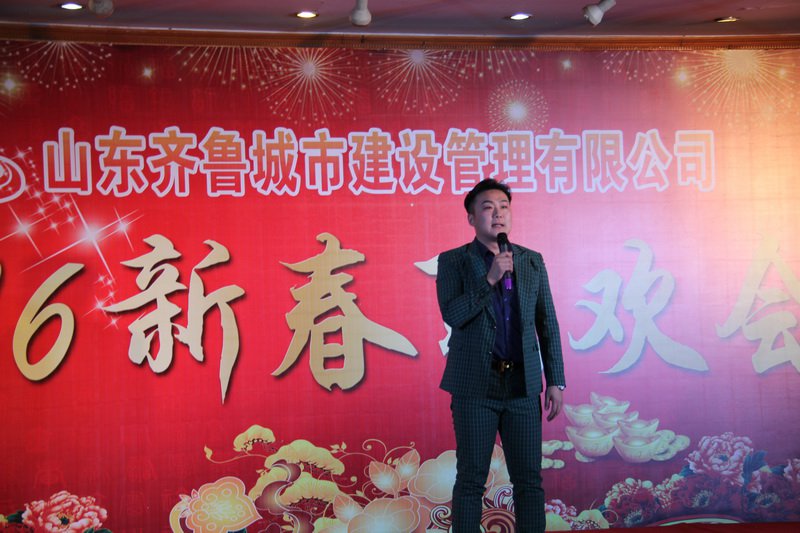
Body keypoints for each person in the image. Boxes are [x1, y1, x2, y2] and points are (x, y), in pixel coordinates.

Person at [436, 178, 566, 533]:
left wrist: (555, 380)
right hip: (475, 387)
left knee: (529, 481)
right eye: (488, 207)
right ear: (471, 218)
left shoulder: (531, 261)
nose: (497, 214)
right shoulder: (454, 261)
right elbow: (453, 314)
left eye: (503, 207)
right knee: (470, 480)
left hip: (522, 386)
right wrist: (490, 279)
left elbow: (547, 323)